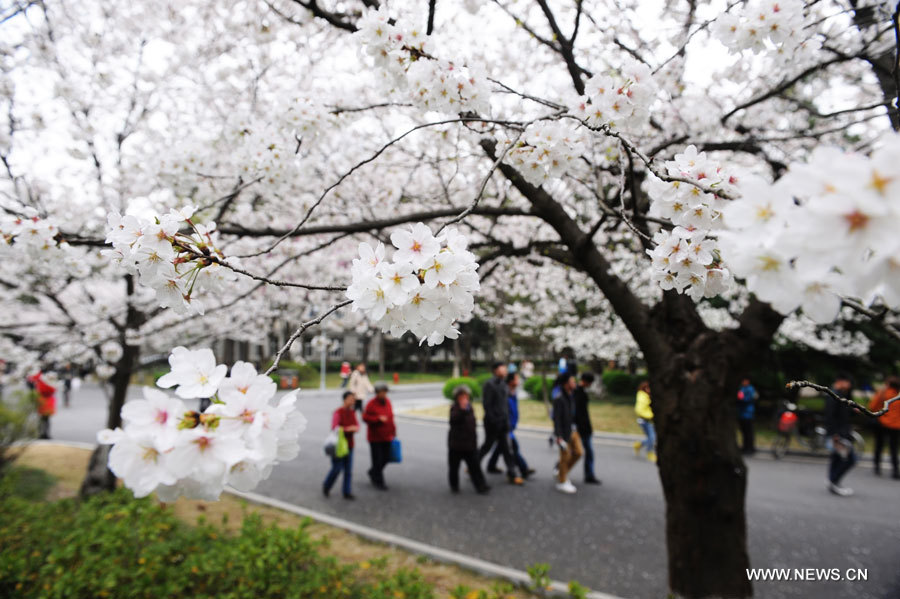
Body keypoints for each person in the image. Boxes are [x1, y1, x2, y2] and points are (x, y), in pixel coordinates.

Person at [478, 362, 524, 485]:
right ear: (495, 370)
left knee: (507, 450)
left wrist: (506, 421)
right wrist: (494, 420)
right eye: (502, 367)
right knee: (487, 446)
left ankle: (512, 474)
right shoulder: (489, 384)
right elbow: (487, 405)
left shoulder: (504, 384)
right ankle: (474, 466)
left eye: (505, 368)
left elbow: (505, 405)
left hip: (504, 423)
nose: (504, 370)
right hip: (492, 423)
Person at [487, 372, 534, 478]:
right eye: (517, 379)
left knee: (500, 447)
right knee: (512, 448)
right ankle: (523, 469)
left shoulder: (513, 392)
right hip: (504, 427)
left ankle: (491, 466)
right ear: (511, 381)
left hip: (510, 426)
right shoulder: (505, 393)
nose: (519, 381)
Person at [448, 385, 490, 494]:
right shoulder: (455, 408)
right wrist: (462, 409)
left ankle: (481, 486)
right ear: (457, 397)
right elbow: (453, 420)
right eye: (461, 396)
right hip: (456, 445)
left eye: (466, 396)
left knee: (475, 467)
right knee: (454, 468)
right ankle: (454, 486)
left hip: (470, 445)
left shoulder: (470, 407)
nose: (464, 398)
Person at [825, 373, 858, 496]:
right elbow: (830, 416)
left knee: (836, 458)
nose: (849, 386)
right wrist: (834, 435)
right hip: (838, 434)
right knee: (850, 459)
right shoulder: (833, 395)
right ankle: (834, 481)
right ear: (841, 381)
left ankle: (832, 480)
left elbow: (842, 413)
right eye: (848, 382)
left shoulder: (841, 394)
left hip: (841, 433)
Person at [323, 391, 360, 499]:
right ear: (345, 399)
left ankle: (346, 491)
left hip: (349, 445)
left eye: (354, 399)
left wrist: (353, 428)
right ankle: (327, 485)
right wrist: (348, 429)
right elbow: (335, 428)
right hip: (338, 445)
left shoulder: (352, 412)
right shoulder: (338, 412)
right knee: (337, 468)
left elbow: (357, 426)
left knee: (348, 470)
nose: (353, 401)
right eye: (351, 398)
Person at [553, 372, 583, 494]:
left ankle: (561, 473)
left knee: (578, 453)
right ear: (566, 384)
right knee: (565, 457)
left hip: (573, 430)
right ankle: (562, 482)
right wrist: (559, 436)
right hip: (564, 433)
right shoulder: (559, 398)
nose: (574, 382)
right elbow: (557, 419)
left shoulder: (571, 395)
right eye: (572, 381)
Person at [363, 382, 395, 490]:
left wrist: (393, 431)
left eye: (385, 392)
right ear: (377, 393)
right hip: (375, 437)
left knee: (386, 458)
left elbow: (391, 418)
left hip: (387, 436)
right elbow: (365, 418)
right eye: (382, 392)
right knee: (377, 459)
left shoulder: (388, 402)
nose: (384, 394)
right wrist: (377, 419)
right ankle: (379, 481)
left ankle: (373, 471)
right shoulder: (371, 404)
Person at [868, 376, 900, 479]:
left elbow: (872, 406)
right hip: (896, 426)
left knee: (879, 445)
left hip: (882, 423)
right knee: (893, 448)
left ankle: (877, 467)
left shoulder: (883, 393)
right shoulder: (898, 396)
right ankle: (895, 470)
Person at [574, 372, 600, 484]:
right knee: (576, 452)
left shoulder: (581, 391)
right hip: (580, 428)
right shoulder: (577, 392)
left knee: (586, 452)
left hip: (584, 427)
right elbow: (578, 413)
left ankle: (589, 475)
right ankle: (560, 468)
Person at [28, 370, 57, 439]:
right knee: (45, 419)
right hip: (47, 402)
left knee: (43, 419)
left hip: (43, 401)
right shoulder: (47, 384)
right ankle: (44, 433)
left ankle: (42, 433)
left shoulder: (42, 382)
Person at [633, 381, 656, 463]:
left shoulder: (647, 397)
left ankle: (639, 444)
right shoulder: (642, 397)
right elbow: (639, 410)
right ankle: (649, 452)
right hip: (644, 420)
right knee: (652, 438)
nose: (649, 390)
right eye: (648, 388)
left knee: (651, 438)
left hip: (650, 421)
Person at [737, 377, 758, 455]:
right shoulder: (742, 388)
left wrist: (741, 398)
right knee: (744, 432)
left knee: (749, 432)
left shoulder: (750, 389)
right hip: (742, 414)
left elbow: (748, 399)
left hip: (748, 414)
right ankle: (745, 447)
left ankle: (750, 448)